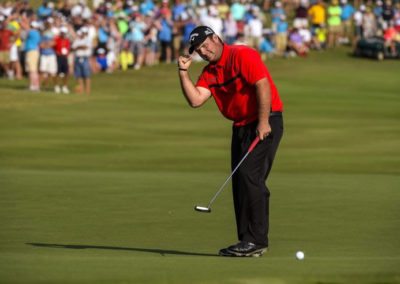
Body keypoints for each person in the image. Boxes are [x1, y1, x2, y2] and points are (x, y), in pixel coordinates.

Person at [177, 26, 284, 257]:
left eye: (206, 45)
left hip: (265, 120)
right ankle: (247, 241)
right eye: (198, 50)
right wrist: (183, 73)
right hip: (241, 127)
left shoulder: (242, 55)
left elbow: (262, 84)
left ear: (217, 38)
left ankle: (257, 240)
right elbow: (196, 100)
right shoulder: (209, 73)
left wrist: (264, 121)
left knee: (249, 175)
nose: (204, 52)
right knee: (240, 181)